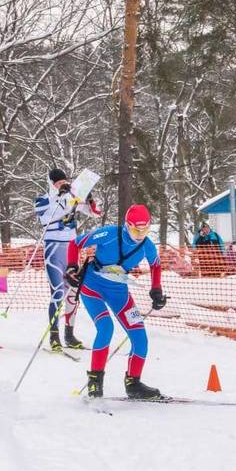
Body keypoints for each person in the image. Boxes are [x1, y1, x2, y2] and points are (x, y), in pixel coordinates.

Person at [66, 204, 167, 399]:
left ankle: (133, 384)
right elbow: (75, 243)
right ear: (127, 225)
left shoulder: (147, 245)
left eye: (145, 229)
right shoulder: (109, 233)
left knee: (140, 336)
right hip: (92, 286)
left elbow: (156, 265)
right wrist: (71, 267)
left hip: (118, 291)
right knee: (106, 328)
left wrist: (156, 289)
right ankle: (95, 381)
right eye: (136, 229)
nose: (140, 234)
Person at [35, 168, 99, 351]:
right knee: (58, 293)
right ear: (51, 183)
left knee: (73, 294)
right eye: (58, 182)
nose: (62, 184)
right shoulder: (43, 199)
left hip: (71, 249)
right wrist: (63, 198)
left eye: (64, 181)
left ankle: (69, 335)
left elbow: (94, 213)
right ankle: (54, 337)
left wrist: (89, 199)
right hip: (53, 249)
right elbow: (45, 219)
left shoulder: (71, 197)